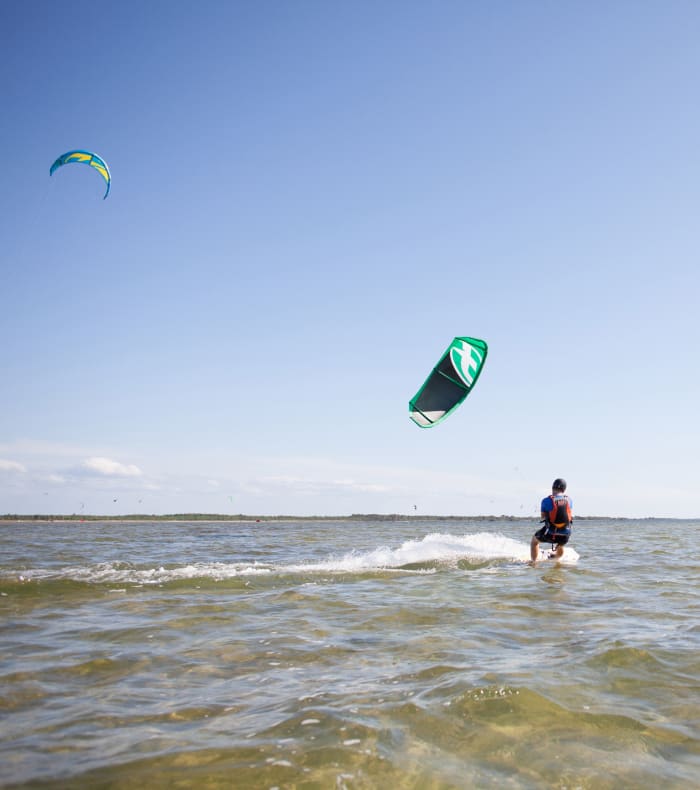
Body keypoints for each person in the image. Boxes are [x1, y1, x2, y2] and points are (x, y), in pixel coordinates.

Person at [531, 478, 573, 562]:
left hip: (551, 532)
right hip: (566, 534)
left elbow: (543, 517)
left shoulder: (546, 501)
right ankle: (557, 562)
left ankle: (534, 563)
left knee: (534, 541)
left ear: (552, 488)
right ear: (564, 489)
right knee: (560, 545)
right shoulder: (569, 500)